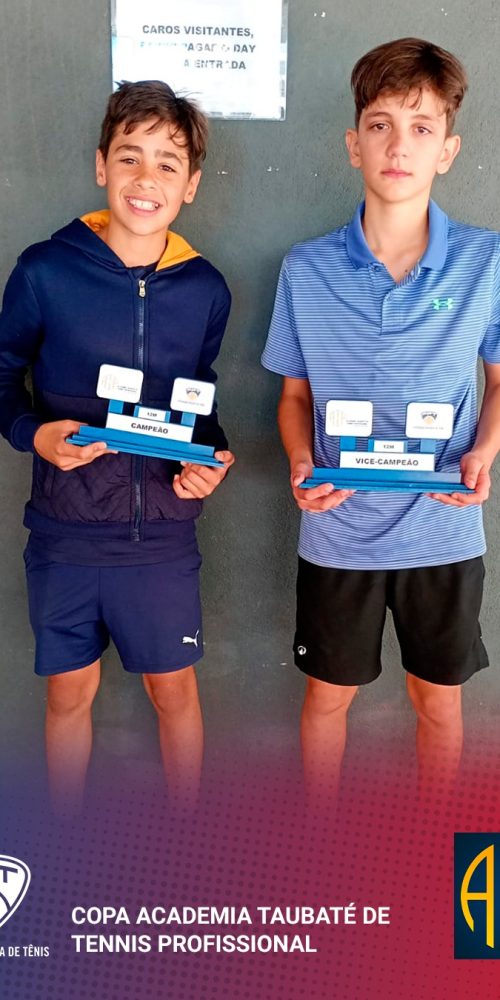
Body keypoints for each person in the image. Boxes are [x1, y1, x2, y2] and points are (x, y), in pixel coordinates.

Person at [261, 38, 500, 807]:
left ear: (448, 150)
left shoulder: (486, 261)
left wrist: (485, 451)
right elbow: (294, 398)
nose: (400, 145)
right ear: (353, 143)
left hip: (443, 527)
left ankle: (434, 840)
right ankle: (322, 839)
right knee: (328, 699)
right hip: (338, 529)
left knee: (440, 702)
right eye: (381, 124)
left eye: (422, 127)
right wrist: (300, 463)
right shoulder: (306, 268)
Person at [0, 80, 234, 816]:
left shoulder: (205, 289)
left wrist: (209, 461)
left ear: (191, 184)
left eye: (168, 163)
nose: (145, 178)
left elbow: (200, 402)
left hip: (161, 537)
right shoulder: (44, 271)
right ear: (101, 164)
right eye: (129, 156)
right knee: (69, 693)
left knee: (175, 691)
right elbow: (2, 379)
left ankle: (186, 835)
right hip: (65, 533)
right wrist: (34, 434)